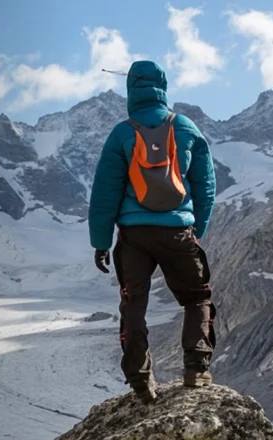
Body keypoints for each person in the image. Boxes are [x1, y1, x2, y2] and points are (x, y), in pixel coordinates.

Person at [88, 60, 218, 404]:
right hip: (178, 231)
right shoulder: (186, 127)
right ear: (163, 86)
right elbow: (205, 186)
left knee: (134, 304)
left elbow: (104, 193)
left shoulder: (122, 133)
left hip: (134, 236)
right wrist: (196, 228)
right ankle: (196, 369)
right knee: (196, 299)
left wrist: (101, 242)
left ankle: (141, 381)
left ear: (131, 89)